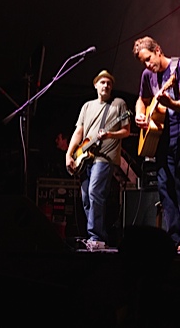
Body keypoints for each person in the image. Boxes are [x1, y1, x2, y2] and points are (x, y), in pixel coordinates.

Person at [132, 36, 180, 252]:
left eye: (148, 59)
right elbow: (142, 99)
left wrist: (170, 103)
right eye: (143, 62)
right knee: (164, 186)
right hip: (162, 137)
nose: (147, 65)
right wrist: (140, 114)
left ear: (158, 50)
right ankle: (173, 237)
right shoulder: (147, 75)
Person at [66, 70, 131, 251]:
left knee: (95, 192)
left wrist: (110, 134)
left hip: (104, 157)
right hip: (85, 157)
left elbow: (126, 131)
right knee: (86, 197)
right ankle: (97, 237)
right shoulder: (87, 106)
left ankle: (96, 236)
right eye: (102, 82)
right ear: (95, 85)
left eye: (109, 83)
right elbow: (79, 131)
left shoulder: (118, 104)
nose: (106, 85)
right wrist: (69, 154)